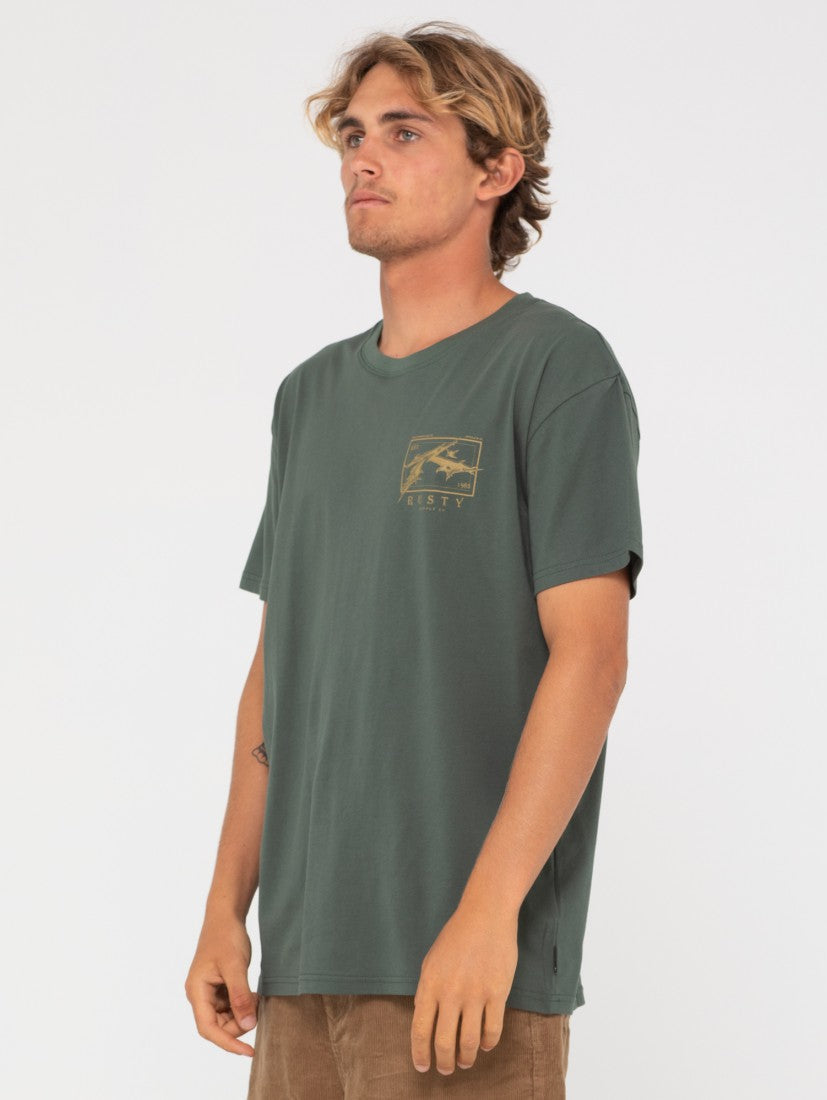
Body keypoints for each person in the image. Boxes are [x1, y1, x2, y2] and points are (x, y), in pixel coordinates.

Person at [185, 19, 644, 1098]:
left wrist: (486, 914)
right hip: (302, 963)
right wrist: (224, 906)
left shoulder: (557, 368)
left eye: (403, 132)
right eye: (352, 134)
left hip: (462, 972)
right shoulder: (308, 397)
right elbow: (277, 671)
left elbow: (590, 657)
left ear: (496, 170)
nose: (362, 158)